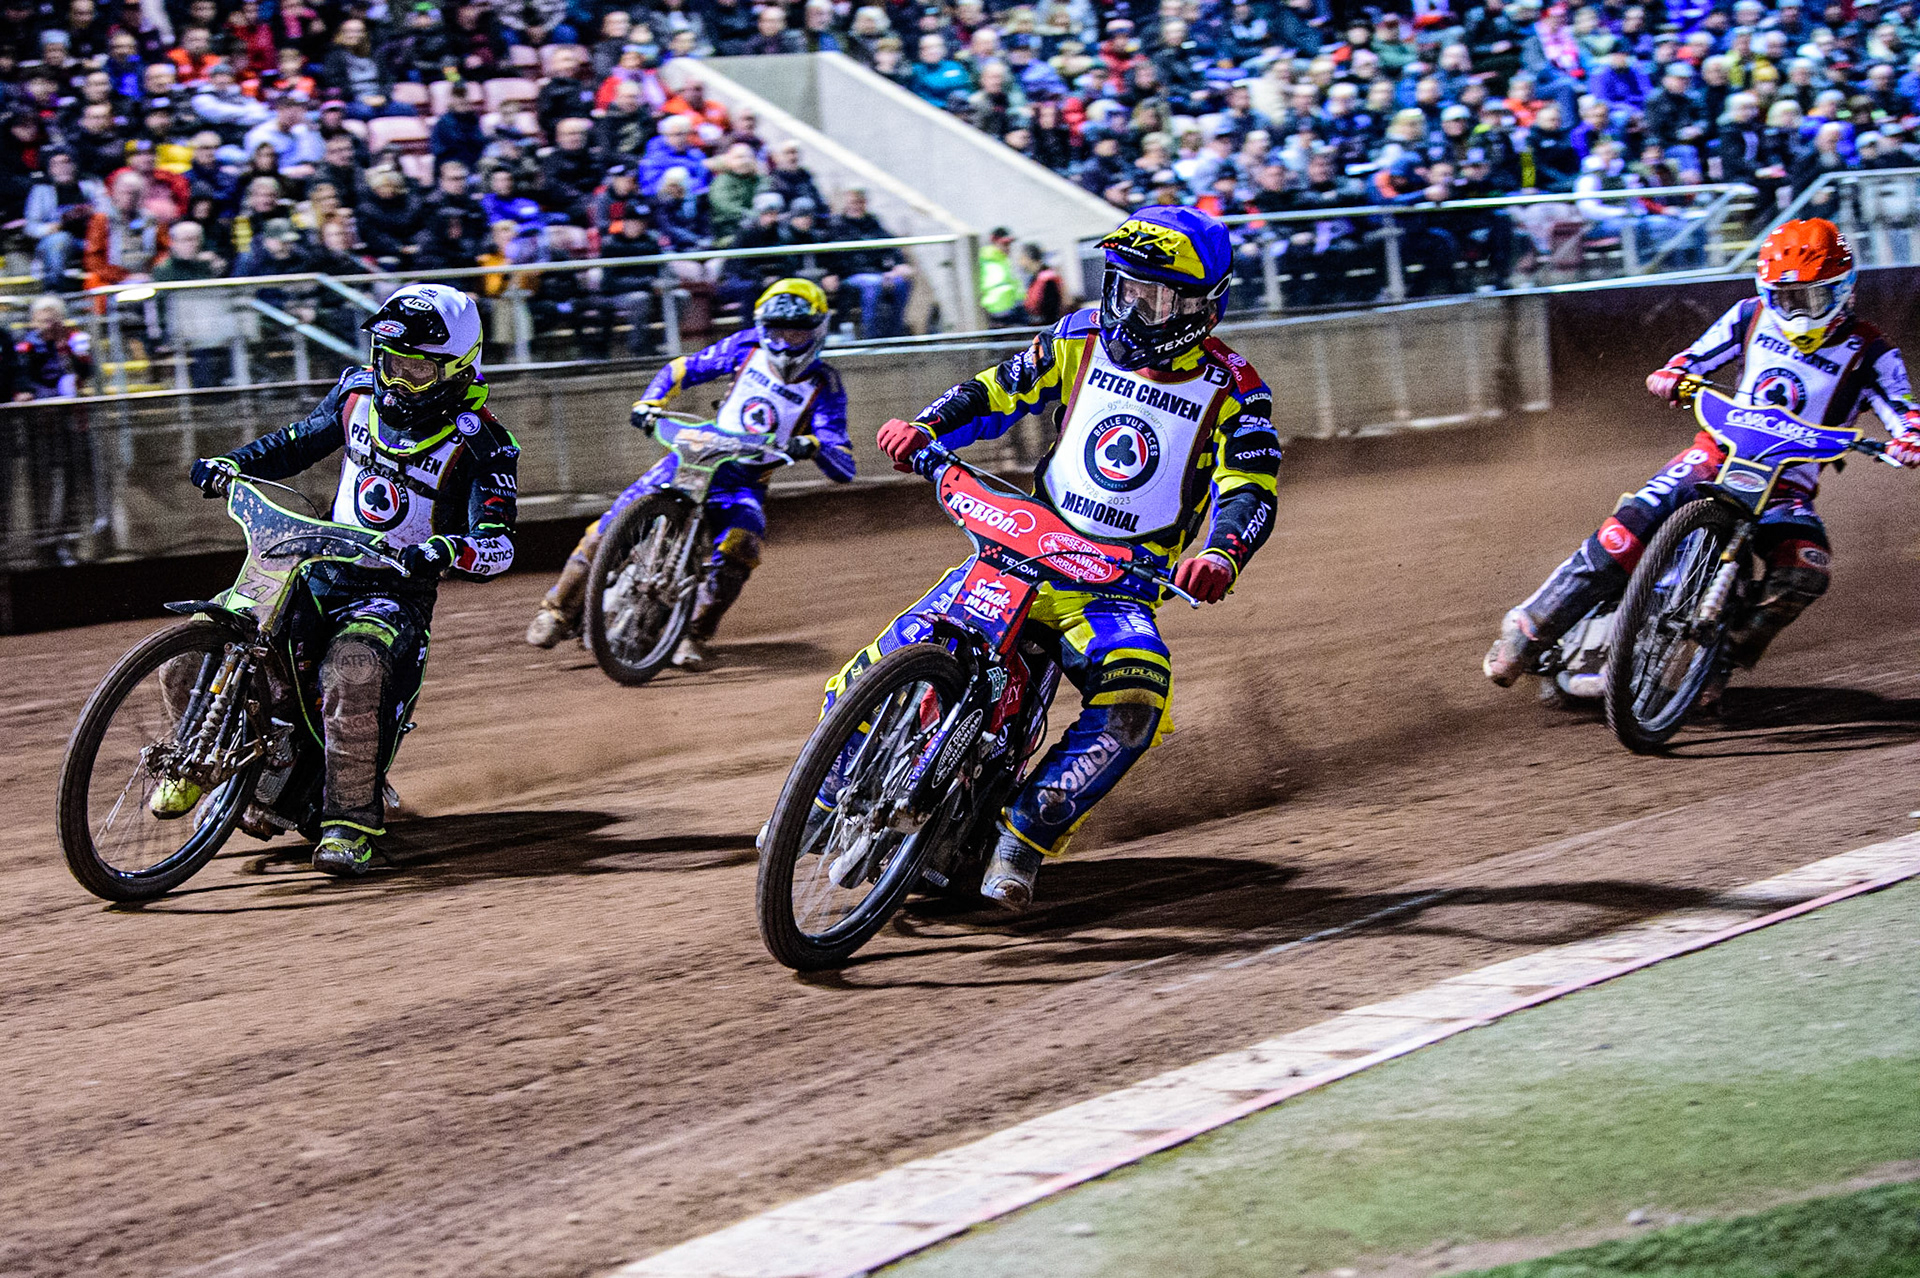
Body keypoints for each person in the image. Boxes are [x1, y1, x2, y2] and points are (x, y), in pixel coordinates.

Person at [837, 206, 1280, 911]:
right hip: (1017, 546)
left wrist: (1223, 555)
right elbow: (999, 388)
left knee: (1137, 694)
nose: (1133, 310)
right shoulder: (1080, 335)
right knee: (885, 657)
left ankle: (1023, 837)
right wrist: (927, 426)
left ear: (1202, 307)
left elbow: (1250, 487)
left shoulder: (1236, 391)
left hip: (1114, 589)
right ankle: (824, 788)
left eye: (1156, 298)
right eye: (1125, 289)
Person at [1484, 220, 1920, 707]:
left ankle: (1720, 657)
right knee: (1626, 529)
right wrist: (1673, 374)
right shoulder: (1749, 315)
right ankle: (1531, 627)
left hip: (1786, 487)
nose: (1797, 311)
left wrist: (1909, 439)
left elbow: (1904, 410)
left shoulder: (1872, 350)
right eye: (1785, 298)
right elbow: (1692, 359)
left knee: (1805, 569)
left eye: (1812, 298)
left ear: (1843, 291)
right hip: (1716, 456)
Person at [181, 284, 518, 876]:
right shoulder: (356, 393)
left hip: (392, 593)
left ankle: (350, 823)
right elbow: (295, 443)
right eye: (390, 361)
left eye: (416, 368)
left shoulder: (485, 444)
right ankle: (211, 762)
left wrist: (443, 550)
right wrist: (233, 463)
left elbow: (500, 544)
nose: (397, 379)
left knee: (352, 667)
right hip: (312, 569)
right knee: (197, 643)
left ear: (458, 367)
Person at [526, 279, 855, 663]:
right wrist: (650, 403)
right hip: (694, 456)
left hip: (743, 481)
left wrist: (813, 445)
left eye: (796, 332)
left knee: (741, 545)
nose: (784, 342)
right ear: (763, 327)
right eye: (777, 331)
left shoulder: (826, 384)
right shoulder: (745, 345)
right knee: (611, 525)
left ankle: (694, 633)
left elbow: (842, 461)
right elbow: (685, 367)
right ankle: (556, 611)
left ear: (816, 331)